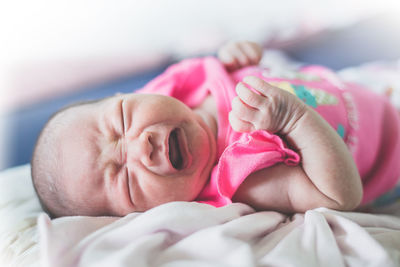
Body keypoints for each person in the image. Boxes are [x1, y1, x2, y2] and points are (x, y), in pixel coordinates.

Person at [31, 41, 400, 218]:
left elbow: (254, 71)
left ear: (128, 95)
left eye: (124, 120)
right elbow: (339, 198)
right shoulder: (241, 177)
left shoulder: (183, 86)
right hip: (392, 153)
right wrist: (294, 120)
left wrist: (239, 61)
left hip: (368, 85)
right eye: (127, 181)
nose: (141, 146)